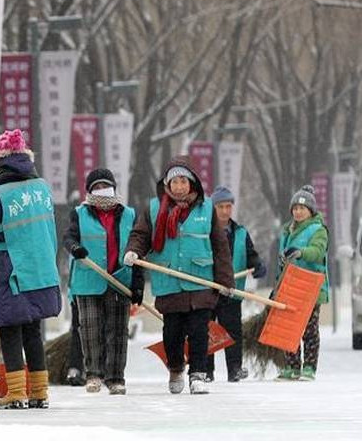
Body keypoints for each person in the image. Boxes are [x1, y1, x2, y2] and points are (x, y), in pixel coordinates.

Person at [124, 156, 234, 395]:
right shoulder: (154, 209)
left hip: (200, 282)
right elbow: (141, 235)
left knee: (198, 332)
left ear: (192, 183)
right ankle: (175, 368)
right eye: (174, 182)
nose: (179, 187)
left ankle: (198, 374)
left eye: (184, 181)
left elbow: (220, 246)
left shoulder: (207, 209)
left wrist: (225, 280)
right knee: (171, 333)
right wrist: (133, 251)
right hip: (170, 284)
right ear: (167, 185)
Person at [0, 129, 61, 409]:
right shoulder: (43, 188)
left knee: (10, 329)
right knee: (33, 330)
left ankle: (16, 392)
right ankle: (40, 392)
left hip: (9, 271)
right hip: (40, 268)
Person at [63, 168, 143, 395]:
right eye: (96, 187)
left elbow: (138, 249)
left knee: (118, 332)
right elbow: (68, 237)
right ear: (89, 191)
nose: (102, 191)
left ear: (114, 189)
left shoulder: (129, 215)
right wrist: (75, 248)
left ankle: (116, 377)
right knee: (90, 329)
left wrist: (137, 285)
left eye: (105, 187)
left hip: (119, 279)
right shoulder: (79, 214)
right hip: (88, 280)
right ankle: (94, 374)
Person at [207, 185, 267, 382]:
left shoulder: (240, 233)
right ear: (213, 209)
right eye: (221, 207)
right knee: (206, 330)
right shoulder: (205, 231)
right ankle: (206, 371)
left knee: (233, 331)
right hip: (208, 290)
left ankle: (234, 368)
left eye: (228, 206)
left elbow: (250, 254)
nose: (225, 211)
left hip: (232, 291)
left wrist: (257, 265)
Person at [276, 185, 329, 381]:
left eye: (302, 208)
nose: (298, 212)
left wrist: (301, 252)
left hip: (310, 286)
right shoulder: (286, 231)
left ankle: (309, 367)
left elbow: (318, 252)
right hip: (289, 285)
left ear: (311, 211)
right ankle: (291, 366)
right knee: (288, 327)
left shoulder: (319, 230)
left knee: (309, 329)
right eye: (295, 208)